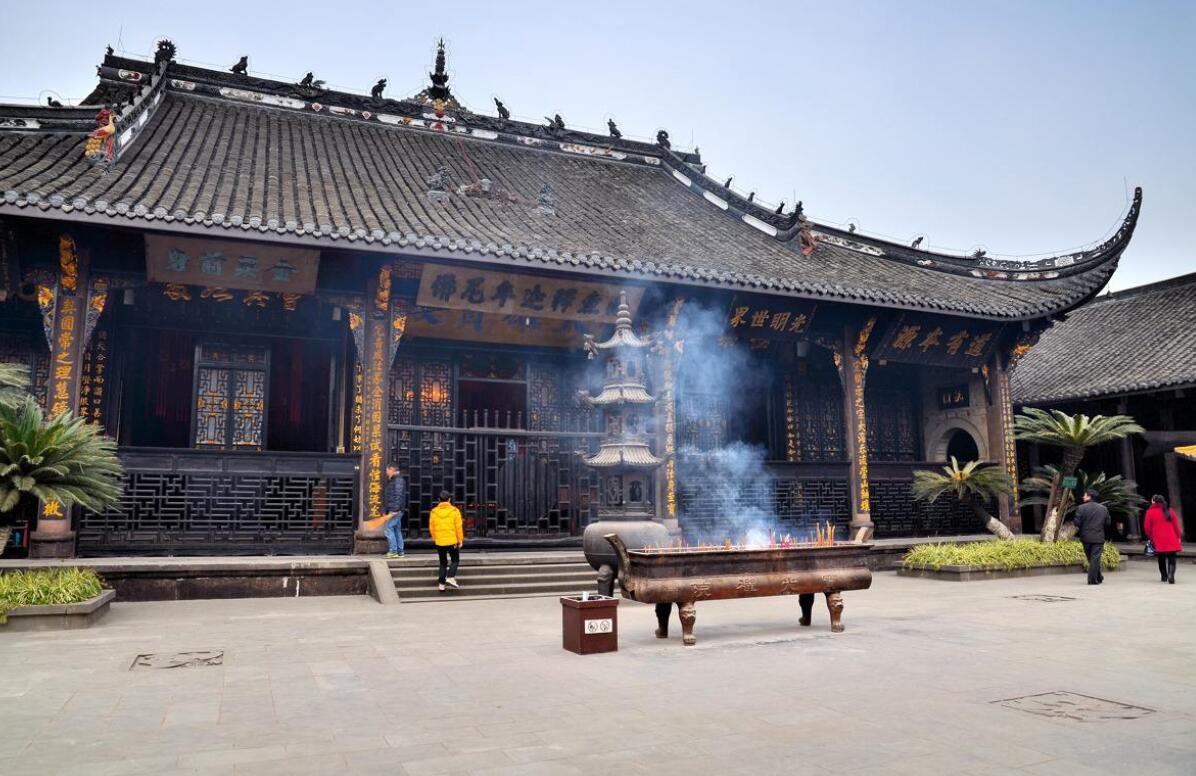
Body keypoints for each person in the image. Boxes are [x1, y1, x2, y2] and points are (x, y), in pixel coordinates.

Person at [1073, 489, 1111, 585]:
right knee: (1094, 558)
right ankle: (1098, 576)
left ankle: (1092, 580)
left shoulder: (1081, 508)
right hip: (1098, 536)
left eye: (1084, 495)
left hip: (1085, 537)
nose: (1083, 497)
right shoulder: (1103, 508)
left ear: (1089, 497)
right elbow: (1108, 523)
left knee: (1091, 558)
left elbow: (1077, 523)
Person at [1143, 494, 1183, 584]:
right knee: (1172, 557)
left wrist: (1150, 537)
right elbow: (1176, 525)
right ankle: (1171, 575)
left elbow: (1147, 527)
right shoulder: (1170, 510)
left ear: (1153, 501)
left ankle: (1164, 576)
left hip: (1158, 539)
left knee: (1161, 558)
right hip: (1171, 537)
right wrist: (1178, 537)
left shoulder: (1150, 512)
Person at [429, 490, 463, 592]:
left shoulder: (434, 512)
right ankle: (450, 576)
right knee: (455, 560)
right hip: (452, 541)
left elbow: (432, 528)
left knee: (443, 563)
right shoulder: (454, 511)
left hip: (440, 542)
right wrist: (460, 539)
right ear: (449, 499)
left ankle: (441, 584)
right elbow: (458, 527)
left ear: (439, 500)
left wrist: (435, 538)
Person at [382, 464, 407, 559]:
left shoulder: (398, 480)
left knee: (389, 528)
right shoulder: (395, 480)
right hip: (396, 509)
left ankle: (393, 551)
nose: (386, 472)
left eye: (387, 470)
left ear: (391, 469)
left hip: (395, 510)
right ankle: (400, 551)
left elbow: (398, 496)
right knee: (396, 529)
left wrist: (394, 510)